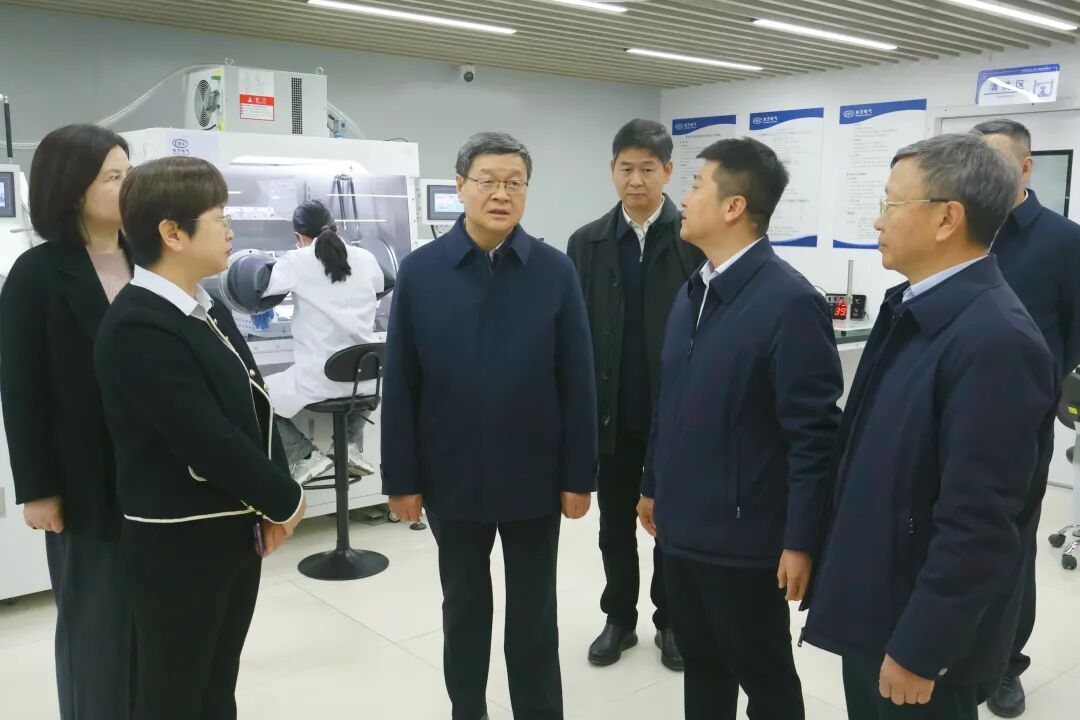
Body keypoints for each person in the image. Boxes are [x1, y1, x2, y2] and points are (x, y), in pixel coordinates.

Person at [802, 133, 1057, 720]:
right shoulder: (913, 308)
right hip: (879, 600)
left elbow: (980, 523)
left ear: (947, 218)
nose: (878, 220)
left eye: (892, 204)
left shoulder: (996, 340)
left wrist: (923, 645)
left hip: (918, 633)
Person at [381, 132, 597, 720]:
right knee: (464, 607)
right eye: (488, 181)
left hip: (535, 476)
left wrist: (579, 475)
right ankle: (467, 709)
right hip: (451, 475)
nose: (501, 194)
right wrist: (402, 478)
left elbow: (578, 380)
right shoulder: (422, 271)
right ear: (460, 187)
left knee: (535, 613)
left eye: (514, 183)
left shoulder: (554, 271)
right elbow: (401, 381)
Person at [638, 137, 843, 720]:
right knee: (702, 667)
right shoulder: (693, 292)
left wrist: (800, 539)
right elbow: (670, 401)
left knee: (766, 680)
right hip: (682, 528)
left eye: (695, 184)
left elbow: (813, 437)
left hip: (745, 539)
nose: (683, 198)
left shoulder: (790, 303)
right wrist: (652, 485)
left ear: (733, 206)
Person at [94, 156, 306, 720]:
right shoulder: (140, 323)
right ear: (172, 232)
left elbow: (253, 407)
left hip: (230, 533)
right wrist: (287, 500)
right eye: (220, 218)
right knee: (173, 694)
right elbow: (205, 438)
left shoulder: (204, 309)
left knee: (215, 685)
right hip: (179, 545)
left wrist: (270, 502)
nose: (230, 230)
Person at [0, 124, 134, 720]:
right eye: (114, 177)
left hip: (159, 481)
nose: (129, 186)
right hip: (87, 485)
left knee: (157, 630)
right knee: (96, 631)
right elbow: (21, 389)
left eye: (130, 173)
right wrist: (39, 489)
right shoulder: (37, 274)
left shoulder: (150, 258)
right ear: (74, 189)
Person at [567, 118, 702, 670]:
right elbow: (574, 333)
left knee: (672, 526)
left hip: (675, 416)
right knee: (614, 526)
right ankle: (619, 618)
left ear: (668, 171)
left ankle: (671, 621)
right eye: (627, 168)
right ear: (612, 171)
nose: (636, 180)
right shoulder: (588, 242)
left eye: (648, 169)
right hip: (613, 414)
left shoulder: (693, 239)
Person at [973, 118, 1080, 718]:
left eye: (995, 160)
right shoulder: (959, 227)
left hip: (1019, 425)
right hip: (948, 416)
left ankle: (1005, 665)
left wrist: (1041, 391)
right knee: (951, 535)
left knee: (1010, 543)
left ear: (1026, 166)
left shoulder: (1064, 241)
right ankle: (950, 648)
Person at [264, 199, 386, 484]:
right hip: (368, 377)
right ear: (335, 227)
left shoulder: (296, 259)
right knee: (360, 379)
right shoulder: (366, 257)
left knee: (256, 396)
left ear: (298, 236)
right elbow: (382, 285)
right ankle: (349, 445)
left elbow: (262, 288)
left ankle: (304, 456)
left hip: (320, 380)